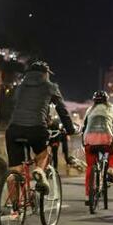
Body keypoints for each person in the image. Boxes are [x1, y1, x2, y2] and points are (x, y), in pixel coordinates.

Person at [5, 61, 75, 194]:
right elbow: (62, 110)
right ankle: (38, 171)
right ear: (45, 74)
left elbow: (15, 104)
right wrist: (70, 129)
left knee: (15, 171)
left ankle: (15, 208)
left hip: (14, 129)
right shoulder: (50, 87)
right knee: (43, 155)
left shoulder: (20, 87)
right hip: (36, 128)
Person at [82, 90, 113, 205]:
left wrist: (83, 142)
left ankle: (87, 196)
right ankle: (110, 168)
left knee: (90, 166)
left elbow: (84, 127)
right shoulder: (111, 110)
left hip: (90, 141)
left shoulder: (89, 110)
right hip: (107, 141)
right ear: (106, 100)